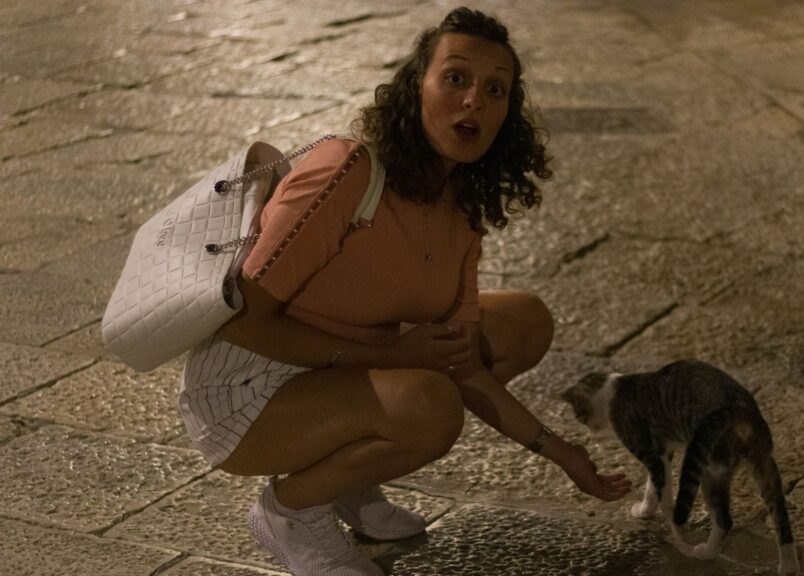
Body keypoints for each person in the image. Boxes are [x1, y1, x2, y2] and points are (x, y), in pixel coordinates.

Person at [177, 7, 632, 575]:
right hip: (248, 386)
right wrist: (392, 357)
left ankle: (348, 470)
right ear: (417, 86)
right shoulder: (347, 172)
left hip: (337, 371)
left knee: (522, 322)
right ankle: (292, 510)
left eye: (496, 89)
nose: (474, 100)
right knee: (429, 406)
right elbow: (244, 319)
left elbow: (465, 363)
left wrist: (565, 455)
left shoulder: (461, 207)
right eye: (456, 78)